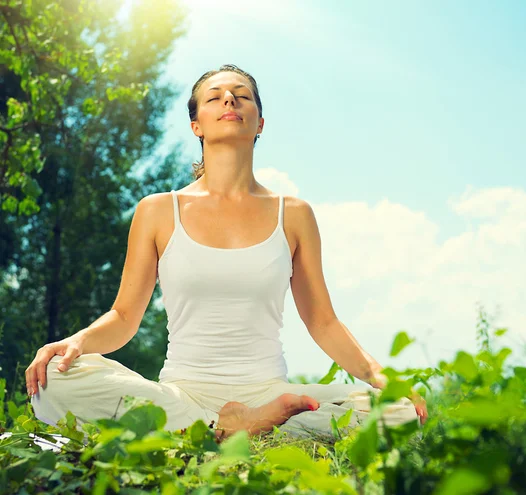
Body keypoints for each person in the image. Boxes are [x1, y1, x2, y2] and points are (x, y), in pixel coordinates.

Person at [26, 64, 427, 443]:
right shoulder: (158, 210)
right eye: (215, 97)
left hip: (268, 390)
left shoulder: (295, 215)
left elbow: (323, 321)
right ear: (196, 124)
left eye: (242, 96)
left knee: (401, 411)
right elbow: (125, 317)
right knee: (54, 380)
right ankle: (236, 427)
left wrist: (380, 375)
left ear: (260, 124)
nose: (230, 102)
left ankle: (218, 430)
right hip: (183, 392)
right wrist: (76, 342)